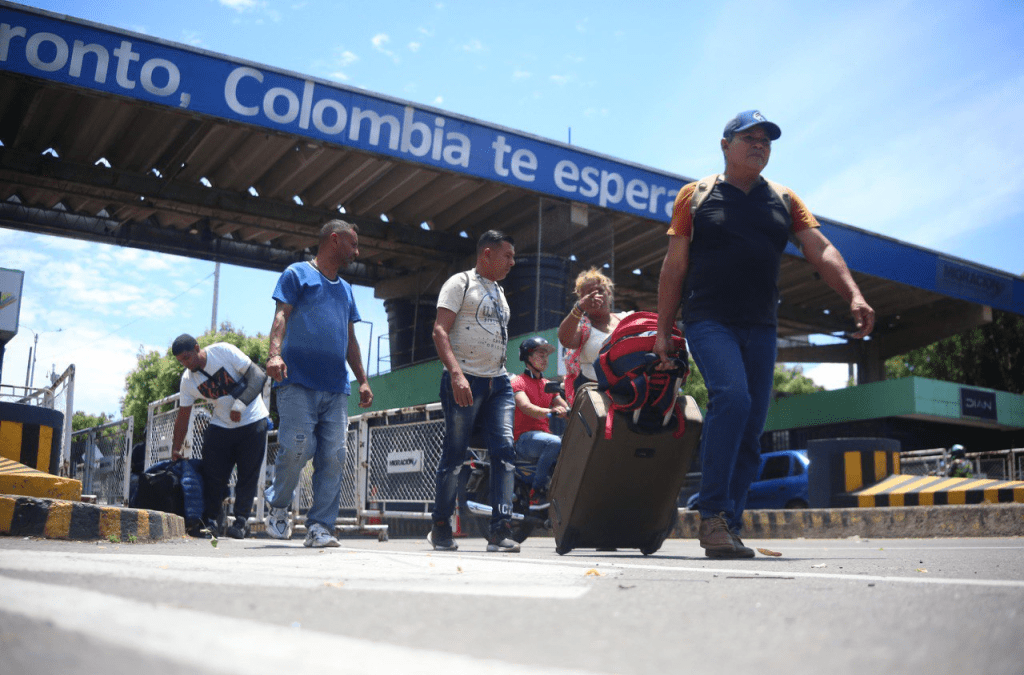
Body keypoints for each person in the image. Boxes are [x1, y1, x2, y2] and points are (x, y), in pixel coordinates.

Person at [653, 110, 875, 559]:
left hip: (761, 326)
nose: (759, 145)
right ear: (725, 145)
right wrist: (662, 332)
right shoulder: (694, 196)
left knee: (752, 429)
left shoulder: (785, 199)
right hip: (709, 319)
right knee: (731, 398)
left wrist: (852, 293)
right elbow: (674, 266)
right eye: (748, 138)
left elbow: (821, 248)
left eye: (766, 140)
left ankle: (728, 527)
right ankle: (711, 515)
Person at [263, 219, 374, 548]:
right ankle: (280, 506)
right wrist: (273, 355)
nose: (357, 251)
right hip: (296, 380)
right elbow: (281, 315)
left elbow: (350, 339)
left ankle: (320, 527)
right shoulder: (297, 274)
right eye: (353, 244)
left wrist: (363, 380)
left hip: (336, 387)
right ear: (334, 240)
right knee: (297, 448)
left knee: (335, 455)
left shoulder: (346, 290)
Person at [428, 230, 520, 553]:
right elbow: (440, 331)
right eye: (507, 255)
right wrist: (456, 374)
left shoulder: (499, 291)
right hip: (464, 378)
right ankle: (440, 527)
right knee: (455, 456)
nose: (512, 262)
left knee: (505, 451)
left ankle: (500, 530)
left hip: (499, 382)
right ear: (487, 254)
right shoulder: (459, 283)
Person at [170, 334, 269, 539]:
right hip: (221, 424)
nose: (186, 364)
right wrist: (175, 448)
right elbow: (183, 416)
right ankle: (211, 521)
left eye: (188, 358)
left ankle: (241, 523)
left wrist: (240, 404)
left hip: (252, 420)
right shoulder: (188, 381)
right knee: (213, 473)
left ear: (197, 348)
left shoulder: (223, 351)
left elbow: (258, 376)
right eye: (181, 361)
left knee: (247, 475)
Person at [558, 268, 632, 407]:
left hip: (630, 392)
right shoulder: (584, 327)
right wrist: (578, 309)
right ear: (582, 299)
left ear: (609, 294)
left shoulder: (626, 319)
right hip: (596, 398)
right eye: (589, 294)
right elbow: (565, 340)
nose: (596, 296)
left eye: (600, 291)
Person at [511, 336, 569, 507]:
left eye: (546, 356)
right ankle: (536, 491)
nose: (545, 359)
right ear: (528, 358)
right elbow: (526, 406)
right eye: (540, 355)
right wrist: (550, 412)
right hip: (523, 439)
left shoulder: (548, 384)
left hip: (543, 438)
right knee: (554, 442)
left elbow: (564, 408)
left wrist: (573, 411)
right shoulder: (518, 382)